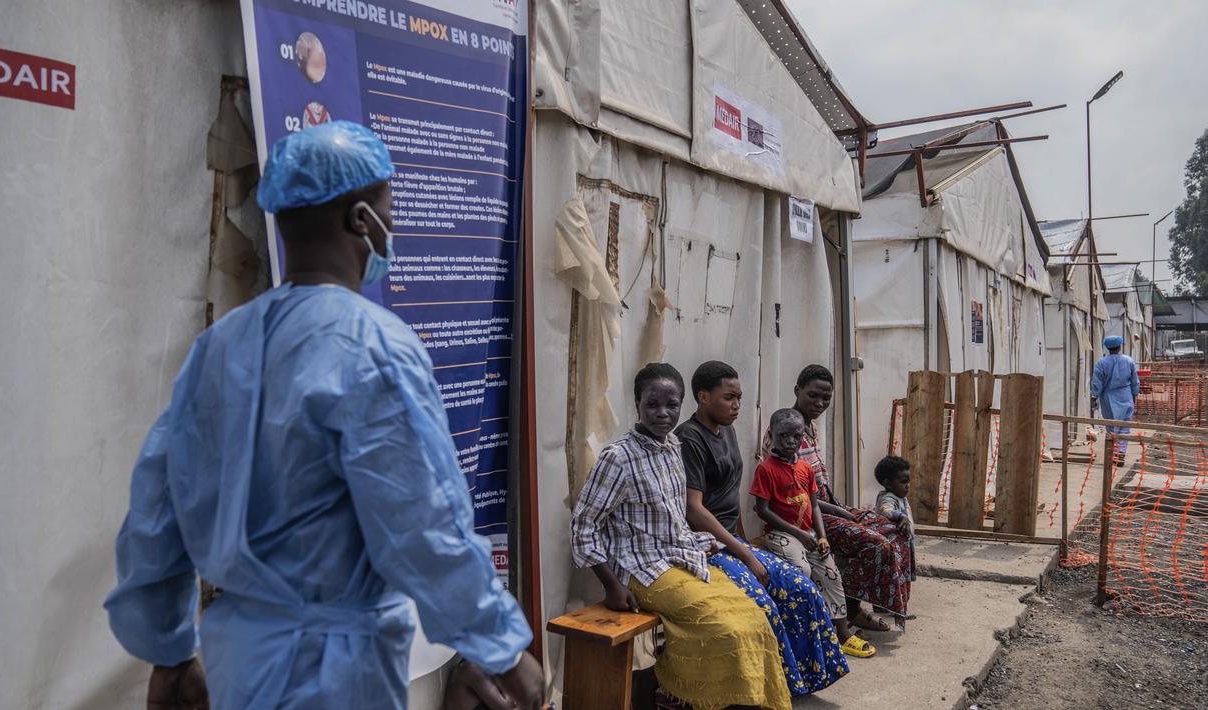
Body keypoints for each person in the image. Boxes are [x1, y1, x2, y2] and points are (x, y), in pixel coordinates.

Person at [104, 121, 542, 710]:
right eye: (390, 208)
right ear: (361, 219)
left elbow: (156, 512)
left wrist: (170, 651)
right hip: (337, 670)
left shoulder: (221, 345)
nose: (395, 224)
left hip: (239, 657)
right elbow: (423, 526)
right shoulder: (375, 348)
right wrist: (502, 649)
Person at [570, 363, 791, 710]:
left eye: (671, 405)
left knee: (754, 618)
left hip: (683, 556)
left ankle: (680, 690)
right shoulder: (618, 458)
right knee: (725, 631)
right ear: (637, 404)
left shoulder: (673, 446)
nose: (662, 413)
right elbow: (583, 526)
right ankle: (683, 693)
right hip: (642, 569)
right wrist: (612, 585)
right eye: (652, 404)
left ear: (682, 404)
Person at [676, 362, 850, 695]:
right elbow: (694, 510)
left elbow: (730, 496)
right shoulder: (690, 439)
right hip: (706, 546)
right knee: (763, 604)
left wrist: (744, 541)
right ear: (702, 397)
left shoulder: (725, 429)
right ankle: (767, 690)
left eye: (740, 398)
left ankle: (803, 679)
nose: (737, 405)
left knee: (803, 589)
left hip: (732, 540)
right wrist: (745, 552)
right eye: (729, 398)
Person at [789, 364, 913, 632]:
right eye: (813, 396)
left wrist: (842, 509)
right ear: (797, 391)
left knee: (894, 530)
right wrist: (841, 513)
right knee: (878, 542)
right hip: (809, 513)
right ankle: (852, 610)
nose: (820, 403)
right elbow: (796, 494)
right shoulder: (788, 431)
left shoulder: (810, 428)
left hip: (827, 504)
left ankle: (874, 605)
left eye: (826, 399)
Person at [751, 408, 876, 657]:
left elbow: (814, 504)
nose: (789, 442)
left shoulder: (805, 469)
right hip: (780, 533)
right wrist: (798, 534)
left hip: (808, 532)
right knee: (802, 571)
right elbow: (762, 510)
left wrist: (821, 536)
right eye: (783, 435)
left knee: (830, 574)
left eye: (795, 437)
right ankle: (810, 632)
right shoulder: (766, 469)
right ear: (771, 436)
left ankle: (842, 634)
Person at [872, 456, 916, 629]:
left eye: (908, 481)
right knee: (895, 579)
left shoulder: (900, 496)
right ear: (888, 483)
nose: (907, 485)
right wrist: (901, 516)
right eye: (903, 481)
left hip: (903, 547)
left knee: (899, 579)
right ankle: (895, 608)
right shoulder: (888, 497)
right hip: (893, 549)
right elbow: (885, 511)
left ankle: (892, 608)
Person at [1092, 334, 1141, 464]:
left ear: (1107, 348)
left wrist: (1094, 396)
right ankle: (1120, 454)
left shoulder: (1101, 363)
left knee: (1111, 427)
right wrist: (1135, 394)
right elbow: (1134, 381)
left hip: (1108, 399)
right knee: (1124, 428)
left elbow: (1097, 383)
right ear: (1120, 346)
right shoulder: (1129, 361)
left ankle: (1113, 453)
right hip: (1125, 396)